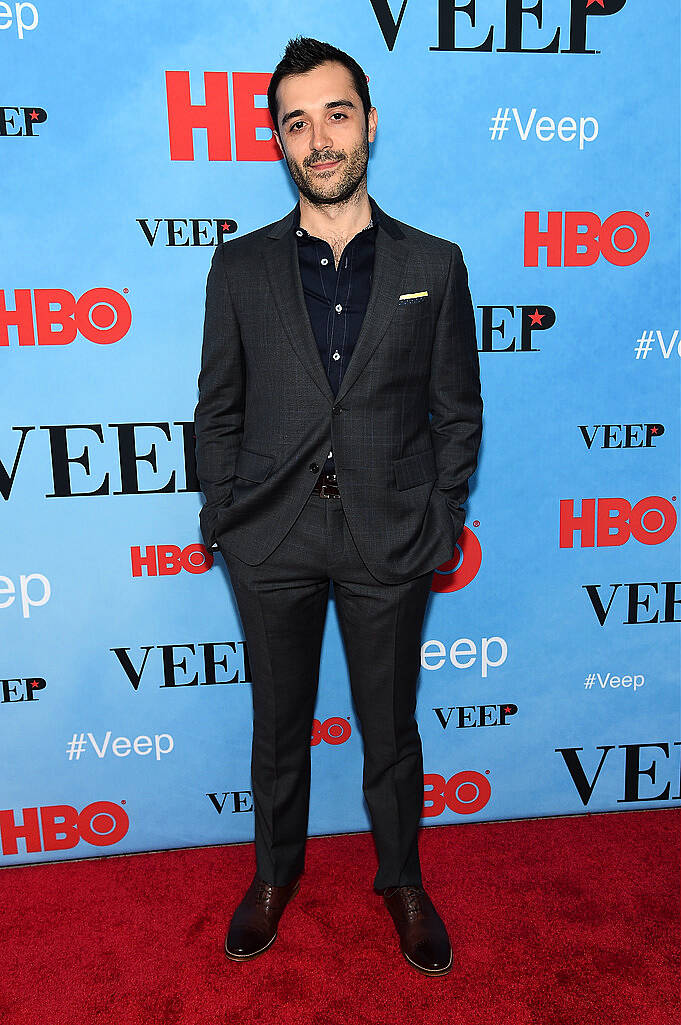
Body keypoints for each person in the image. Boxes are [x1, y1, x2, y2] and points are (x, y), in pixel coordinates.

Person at [194, 35, 483, 976]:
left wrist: (438, 520)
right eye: (295, 121)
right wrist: (227, 520)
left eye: (336, 113)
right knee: (276, 727)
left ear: (369, 124)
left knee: (389, 728)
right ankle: (273, 876)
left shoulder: (433, 265)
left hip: (389, 538)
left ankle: (399, 877)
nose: (318, 138)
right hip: (270, 537)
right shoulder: (236, 269)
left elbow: (457, 410)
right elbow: (218, 408)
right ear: (278, 142)